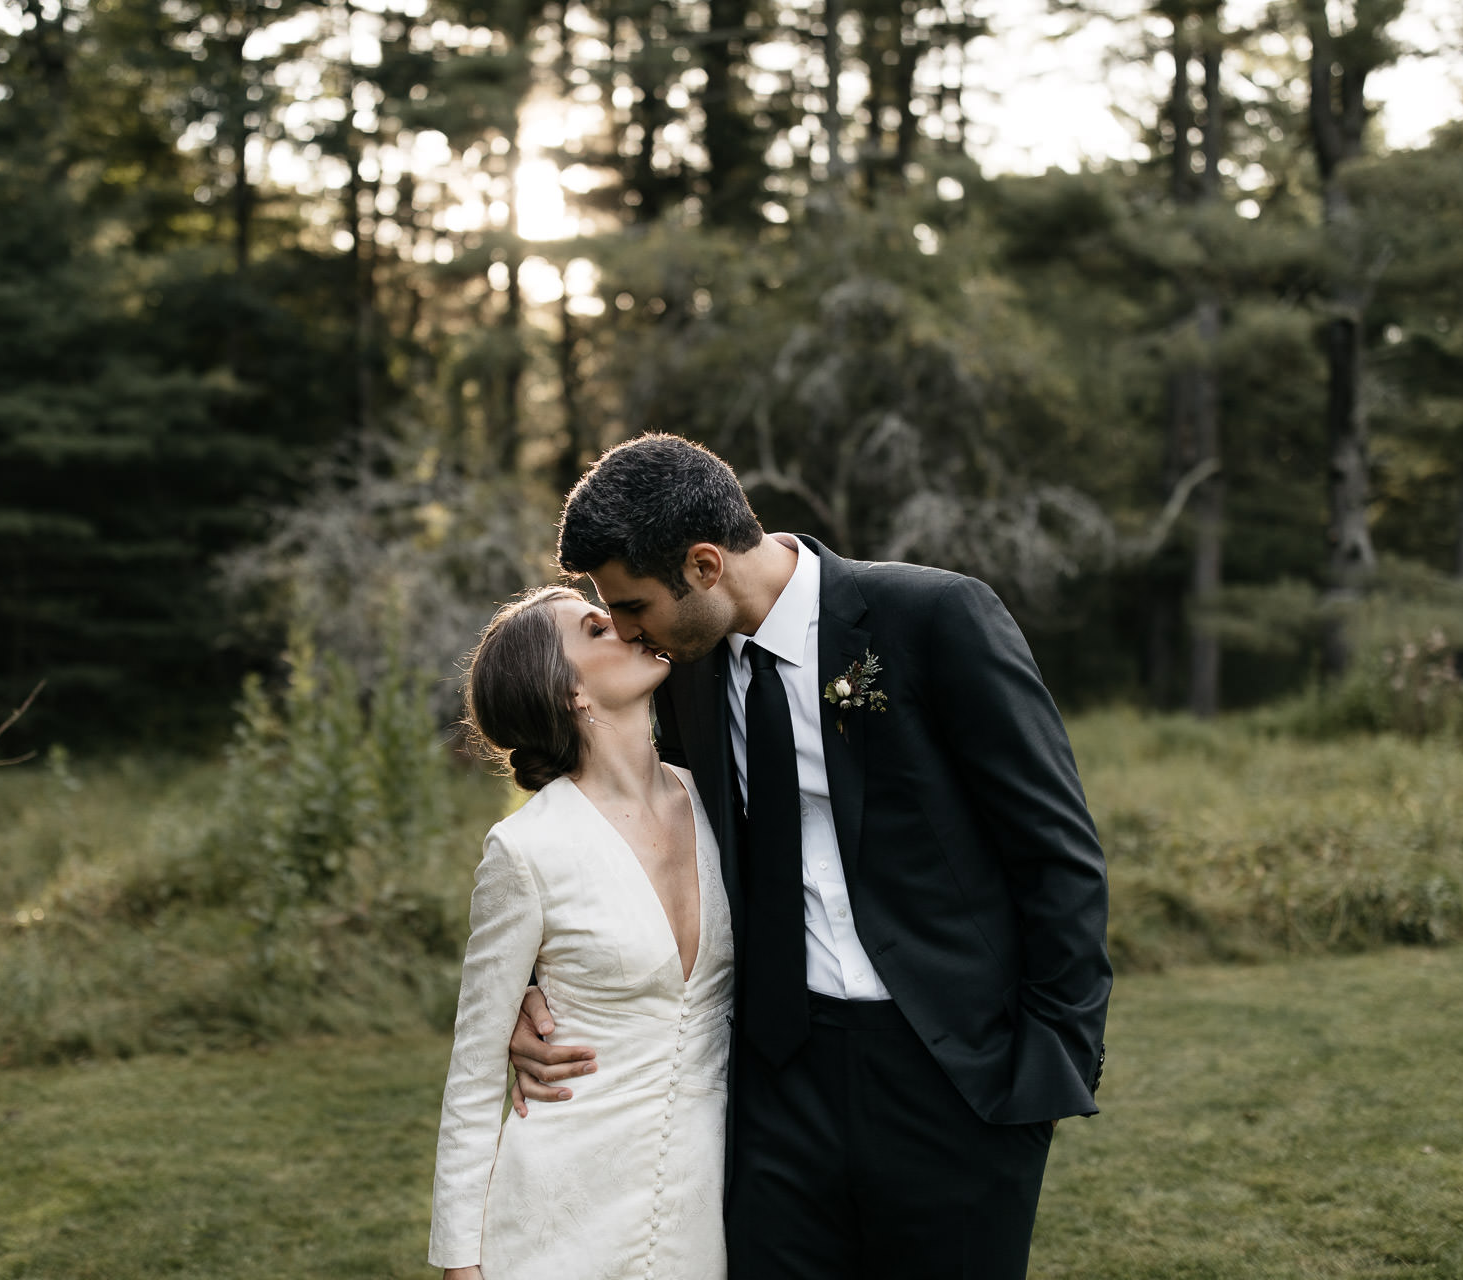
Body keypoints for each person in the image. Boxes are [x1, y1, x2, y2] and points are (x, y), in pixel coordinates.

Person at [507, 434, 1111, 1278]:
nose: (632, 633)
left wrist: (1049, 1060)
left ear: (705, 566)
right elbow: (628, 830)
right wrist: (535, 984)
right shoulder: (681, 672)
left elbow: (1057, 851)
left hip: (951, 1073)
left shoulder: (932, 618)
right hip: (774, 1077)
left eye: (636, 606)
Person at [429, 585, 734, 1280]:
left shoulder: (720, 803)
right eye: (600, 628)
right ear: (568, 690)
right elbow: (473, 1076)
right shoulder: (526, 849)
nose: (630, 627)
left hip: (708, 1204)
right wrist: (460, 1263)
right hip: (560, 1213)